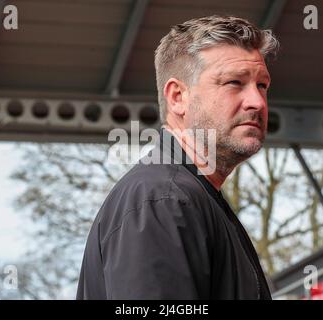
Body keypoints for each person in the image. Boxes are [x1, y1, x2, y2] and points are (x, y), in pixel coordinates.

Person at [77, 15, 279, 299]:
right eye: (234, 82)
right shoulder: (161, 198)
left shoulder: (190, 197)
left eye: (262, 86)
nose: (257, 102)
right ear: (177, 97)